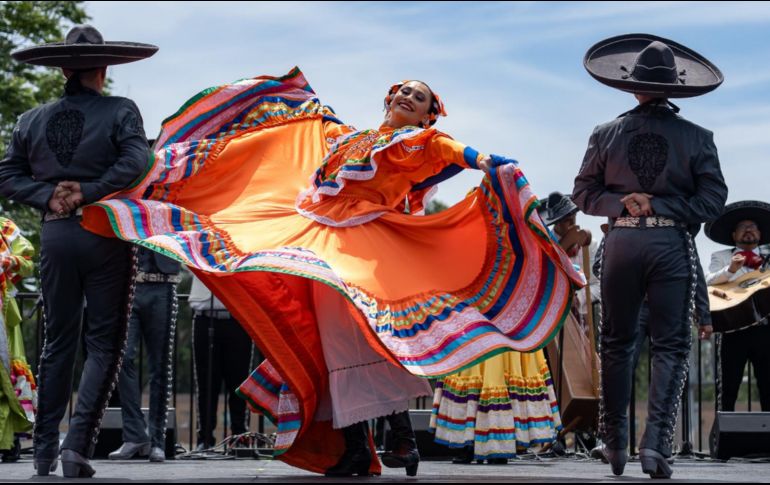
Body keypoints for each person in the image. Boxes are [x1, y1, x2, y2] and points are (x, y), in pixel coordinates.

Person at [81, 69, 584, 477]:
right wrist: (301, 110)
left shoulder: (417, 140)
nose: (409, 96)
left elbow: (446, 150)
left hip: (362, 244)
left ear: (430, 112)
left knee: (355, 339)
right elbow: (303, 139)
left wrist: (486, 160)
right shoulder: (349, 137)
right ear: (389, 99)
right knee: (333, 341)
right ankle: (373, 444)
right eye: (404, 89)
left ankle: (385, 442)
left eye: (420, 96)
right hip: (318, 232)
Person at [0, 25, 157, 477]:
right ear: (103, 70)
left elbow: (6, 174)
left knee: (57, 343)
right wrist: (89, 191)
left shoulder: (31, 119)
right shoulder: (121, 110)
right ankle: (76, 449)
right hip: (103, 232)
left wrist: (50, 196)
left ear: (64, 68)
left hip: (56, 235)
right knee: (104, 342)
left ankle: (45, 450)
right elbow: (137, 162)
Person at [574, 34, 727, 479]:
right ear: (674, 89)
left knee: (616, 344)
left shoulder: (605, 134)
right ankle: (655, 446)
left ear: (633, 88)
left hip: (621, 242)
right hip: (668, 245)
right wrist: (661, 205)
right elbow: (713, 199)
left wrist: (627, 203)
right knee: (671, 345)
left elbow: (583, 193)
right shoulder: (698, 137)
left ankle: (614, 442)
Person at [108, 247, 181, 462]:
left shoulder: (173, 211)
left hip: (164, 287)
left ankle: (157, 440)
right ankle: (135, 435)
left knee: (160, 366)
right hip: (129, 288)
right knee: (122, 358)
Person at [705, 201, 770, 412]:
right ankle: (723, 443)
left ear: (760, 233)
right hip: (733, 330)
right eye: (743, 227)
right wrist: (730, 270)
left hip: (766, 330)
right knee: (727, 389)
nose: (749, 230)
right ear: (734, 235)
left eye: (753, 227)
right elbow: (708, 282)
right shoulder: (721, 257)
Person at [188, 274, 253, 451]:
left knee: (239, 382)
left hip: (237, 319)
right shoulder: (200, 245)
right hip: (204, 316)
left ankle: (239, 436)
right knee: (206, 383)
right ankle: (205, 438)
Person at [0, 216, 36, 461]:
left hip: (2, 313)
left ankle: (7, 439)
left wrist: (8, 260)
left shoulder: (5, 228)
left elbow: (28, 264)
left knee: (4, 375)